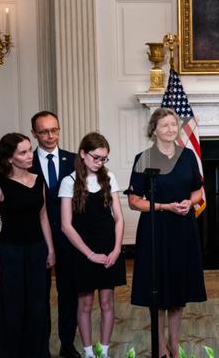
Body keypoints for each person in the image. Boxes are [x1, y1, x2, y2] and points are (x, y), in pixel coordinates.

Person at [127, 108, 207, 358]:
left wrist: (188, 202)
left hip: (183, 229)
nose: (171, 129)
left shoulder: (188, 157)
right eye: (165, 126)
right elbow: (133, 200)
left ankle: (175, 344)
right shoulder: (144, 158)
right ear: (154, 130)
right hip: (156, 230)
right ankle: (159, 346)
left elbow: (198, 191)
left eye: (174, 125)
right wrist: (163, 207)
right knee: (158, 291)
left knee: (178, 292)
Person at [0, 133, 56, 357]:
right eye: (23, 152)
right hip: (10, 253)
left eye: (29, 150)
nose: (29, 155)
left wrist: (50, 249)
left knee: (38, 306)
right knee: (13, 308)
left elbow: (43, 216)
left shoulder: (38, 180)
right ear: (9, 158)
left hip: (37, 250)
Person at [60, 133, 126, 358]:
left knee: (107, 302)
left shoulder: (109, 177)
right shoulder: (69, 182)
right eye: (96, 157)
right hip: (83, 251)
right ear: (83, 154)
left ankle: (103, 351)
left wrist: (117, 249)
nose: (100, 163)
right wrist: (90, 255)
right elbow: (66, 226)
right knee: (85, 303)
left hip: (109, 248)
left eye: (104, 159)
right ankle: (88, 352)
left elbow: (118, 218)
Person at [30, 111, 80, 358]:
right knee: (39, 295)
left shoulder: (73, 161)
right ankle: (40, 346)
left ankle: (67, 343)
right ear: (34, 134)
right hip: (36, 239)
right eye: (44, 132)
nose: (51, 136)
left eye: (55, 130)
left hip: (68, 238)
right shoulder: (25, 162)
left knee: (68, 293)